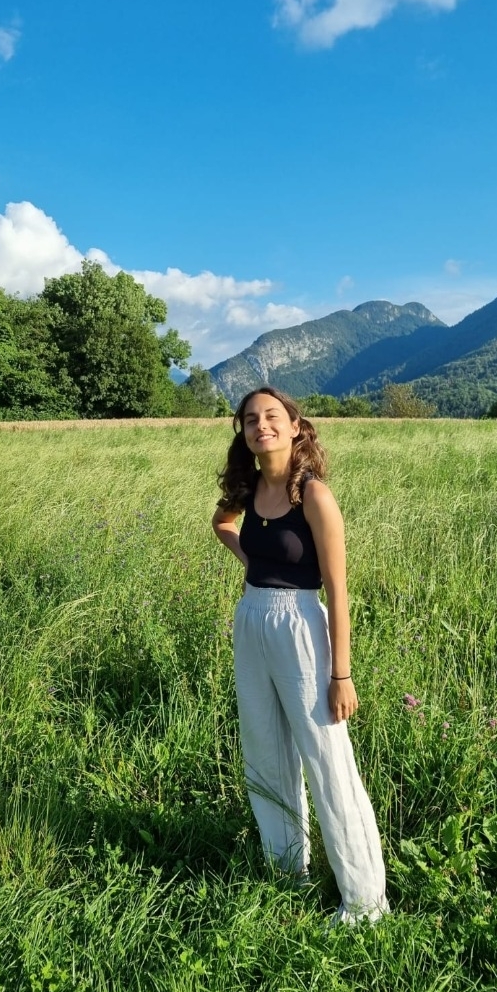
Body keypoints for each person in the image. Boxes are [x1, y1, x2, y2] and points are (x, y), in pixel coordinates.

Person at [212, 386, 388, 924]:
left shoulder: (313, 494)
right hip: (251, 618)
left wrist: (342, 674)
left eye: (271, 416)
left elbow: (339, 591)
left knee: (327, 760)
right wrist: (254, 562)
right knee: (264, 750)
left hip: (302, 624)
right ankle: (287, 869)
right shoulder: (248, 487)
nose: (260, 425)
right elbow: (221, 523)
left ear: (294, 426)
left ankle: (364, 903)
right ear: (243, 432)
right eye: (250, 419)